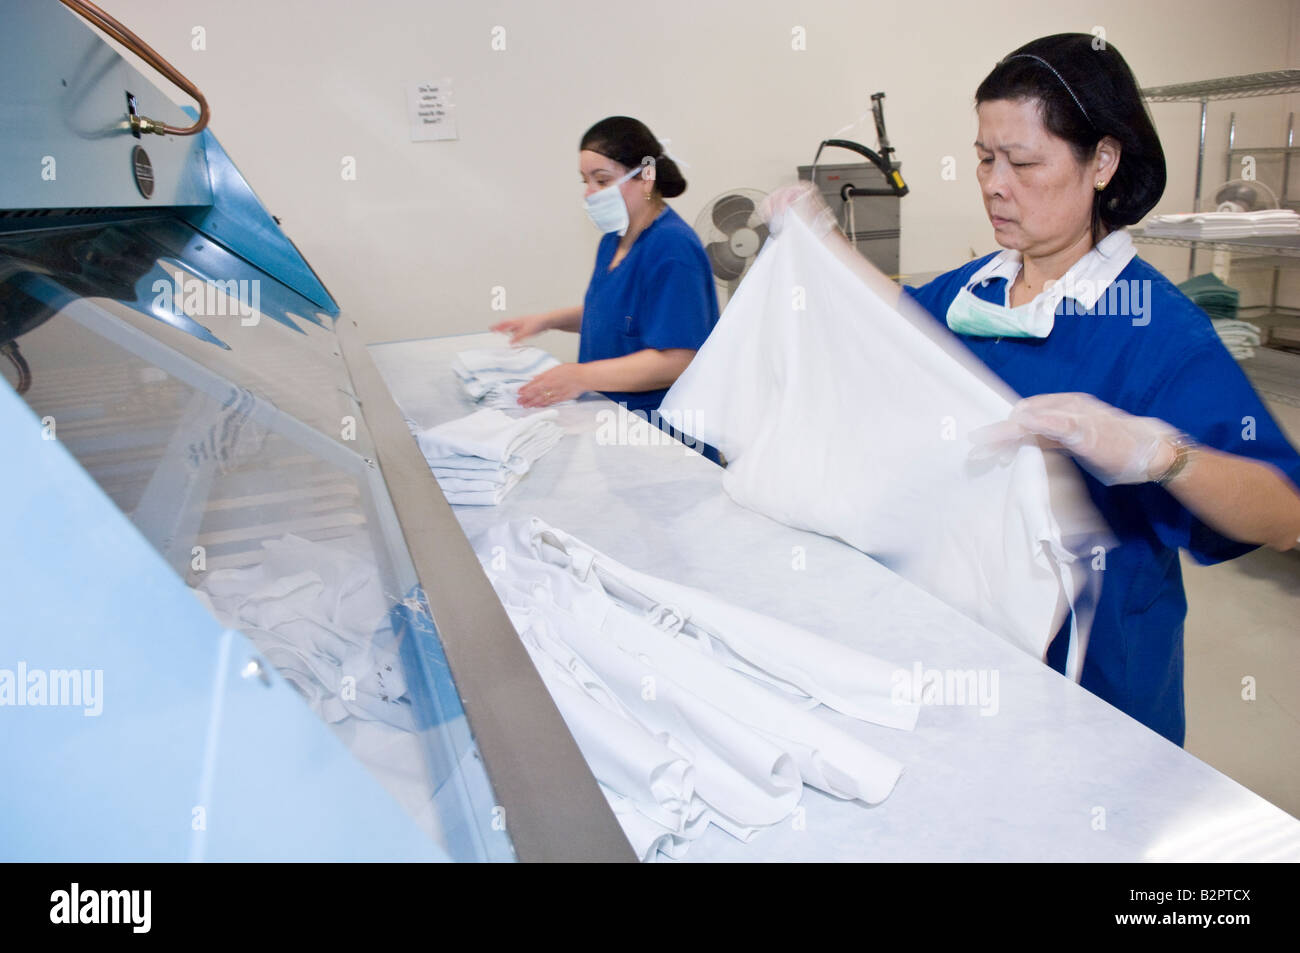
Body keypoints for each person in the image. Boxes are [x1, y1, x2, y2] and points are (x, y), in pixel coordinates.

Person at [768, 33, 1300, 746]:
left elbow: (1283, 514)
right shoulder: (975, 292)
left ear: (1102, 162)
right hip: (959, 658)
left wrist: (1162, 454)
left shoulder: (1156, 331)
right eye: (985, 157)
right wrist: (820, 240)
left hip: (1095, 689)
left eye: (1022, 161)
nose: (993, 182)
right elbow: (896, 327)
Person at [491, 117, 720, 439]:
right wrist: (546, 321)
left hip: (660, 435)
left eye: (602, 180)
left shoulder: (672, 248)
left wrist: (580, 376)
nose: (590, 193)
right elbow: (616, 315)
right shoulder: (614, 239)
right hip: (610, 422)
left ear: (646, 178)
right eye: (585, 181)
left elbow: (678, 359)